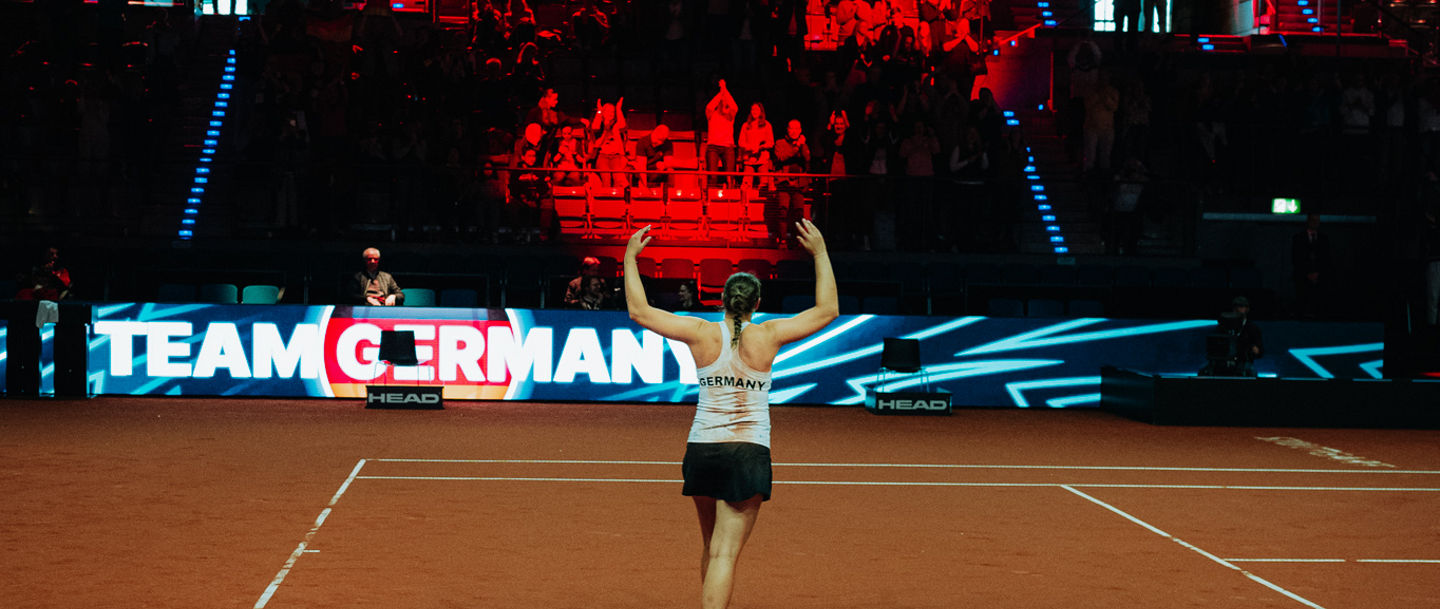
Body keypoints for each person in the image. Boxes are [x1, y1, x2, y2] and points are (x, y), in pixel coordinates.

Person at [622, 219, 837, 609]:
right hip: (746, 452)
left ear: (721, 299)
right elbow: (827, 311)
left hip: (703, 450)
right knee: (724, 553)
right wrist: (820, 252)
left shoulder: (701, 332)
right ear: (756, 303)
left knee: (710, 546)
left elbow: (639, 311)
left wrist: (629, 259)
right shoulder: (769, 334)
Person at [1291, 213, 1333, 319]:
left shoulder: (1324, 239)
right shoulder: (1298, 238)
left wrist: (1317, 273)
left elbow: (1326, 259)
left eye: (1317, 220)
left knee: (1319, 302)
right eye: (1313, 220)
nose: (1315, 223)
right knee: (1302, 301)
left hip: (1320, 277)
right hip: (1302, 277)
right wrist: (1307, 273)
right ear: (1308, 221)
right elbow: (1296, 258)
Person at [705, 79, 739, 188]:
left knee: (729, 176)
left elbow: (734, 106)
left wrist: (725, 90)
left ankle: (731, 197)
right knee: (712, 176)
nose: (724, 102)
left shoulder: (730, 116)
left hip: (728, 147)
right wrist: (721, 93)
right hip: (713, 147)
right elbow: (709, 106)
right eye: (722, 101)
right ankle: (711, 199)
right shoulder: (712, 114)